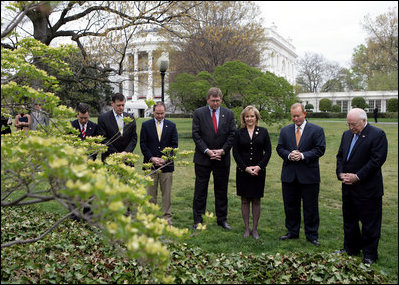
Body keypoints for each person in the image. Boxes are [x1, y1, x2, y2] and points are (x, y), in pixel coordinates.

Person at [335, 108, 388, 265]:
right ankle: (351, 248)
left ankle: (370, 254)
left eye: (353, 124)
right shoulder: (346, 134)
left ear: (364, 121)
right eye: (348, 124)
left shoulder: (377, 135)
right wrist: (340, 174)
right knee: (349, 220)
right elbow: (340, 157)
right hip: (348, 187)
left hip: (368, 189)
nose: (351, 128)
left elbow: (376, 160)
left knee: (370, 223)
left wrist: (357, 176)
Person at [276, 103, 326, 246]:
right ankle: (292, 231)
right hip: (289, 175)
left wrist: (303, 155)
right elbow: (280, 148)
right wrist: (289, 154)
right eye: (293, 116)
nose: (295, 119)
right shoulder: (285, 131)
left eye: (298, 115)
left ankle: (311, 235)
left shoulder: (316, 130)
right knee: (290, 205)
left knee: (311, 207)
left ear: (305, 114)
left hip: (309, 175)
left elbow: (320, 149)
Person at [192, 87, 236, 230]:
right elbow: (196, 134)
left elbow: (232, 135)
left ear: (221, 100)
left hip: (222, 159)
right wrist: (207, 151)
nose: (215, 104)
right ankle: (198, 220)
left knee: (221, 191)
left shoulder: (229, 114)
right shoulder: (198, 113)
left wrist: (222, 151)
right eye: (213, 101)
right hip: (203, 159)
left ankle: (222, 219)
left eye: (218, 101)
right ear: (207, 100)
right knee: (200, 191)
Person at [232, 106, 271, 239]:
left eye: (252, 116)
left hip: (258, 172)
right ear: (244, 118)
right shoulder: (239, 133)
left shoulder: (264, 132)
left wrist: (259, 167)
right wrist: (245, 168)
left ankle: (255, 229)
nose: (249, 118)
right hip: (243, 172)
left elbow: (268, 152)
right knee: (244, 200)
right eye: (247, 116)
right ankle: (246, 228)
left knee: (256, 200)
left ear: (256, 117)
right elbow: (235, 152)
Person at [140, 102, 178, 225]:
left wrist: (165, 159)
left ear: (165, 112)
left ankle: (167, 219)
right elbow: (143, 144)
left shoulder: (172, 126)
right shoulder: (146, 125)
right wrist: (152, 158)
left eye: (162, 113)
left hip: (166, 167)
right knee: (151, 194)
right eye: (157, 113)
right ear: (153, 112)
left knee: (166, 195)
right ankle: (151, 218)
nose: (160, 116)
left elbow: (174, 145)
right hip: (150, 166)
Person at [97, 93, 137, 162]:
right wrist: (116, 154)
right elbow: (103, 139)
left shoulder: (130, 118)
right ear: (112, 103)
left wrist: (126, 152)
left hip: (126, 159)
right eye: (118, 105)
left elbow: (133, 138)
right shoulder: (103, 118)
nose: (121, 107)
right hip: (109, 159)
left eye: (123, 105)